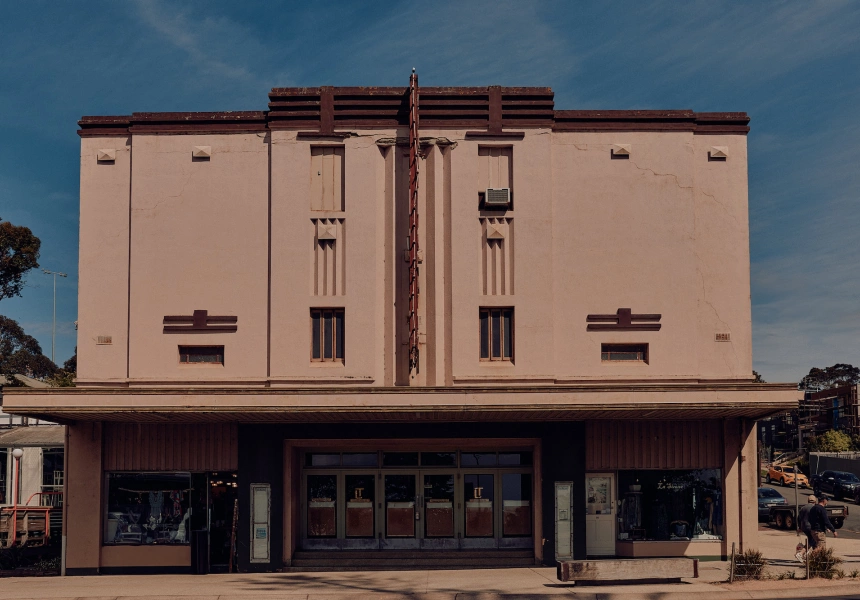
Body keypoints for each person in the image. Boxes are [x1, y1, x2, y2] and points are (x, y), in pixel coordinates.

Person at [795, 495, 816, 561]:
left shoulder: (803, 508)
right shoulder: (814, 508)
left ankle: (812, 556)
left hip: (804, 527)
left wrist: (800, 527)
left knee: (812, 541)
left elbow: (799, 518)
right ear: (815, 501)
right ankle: (802, 554)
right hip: (811, 527)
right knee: (813, 540)